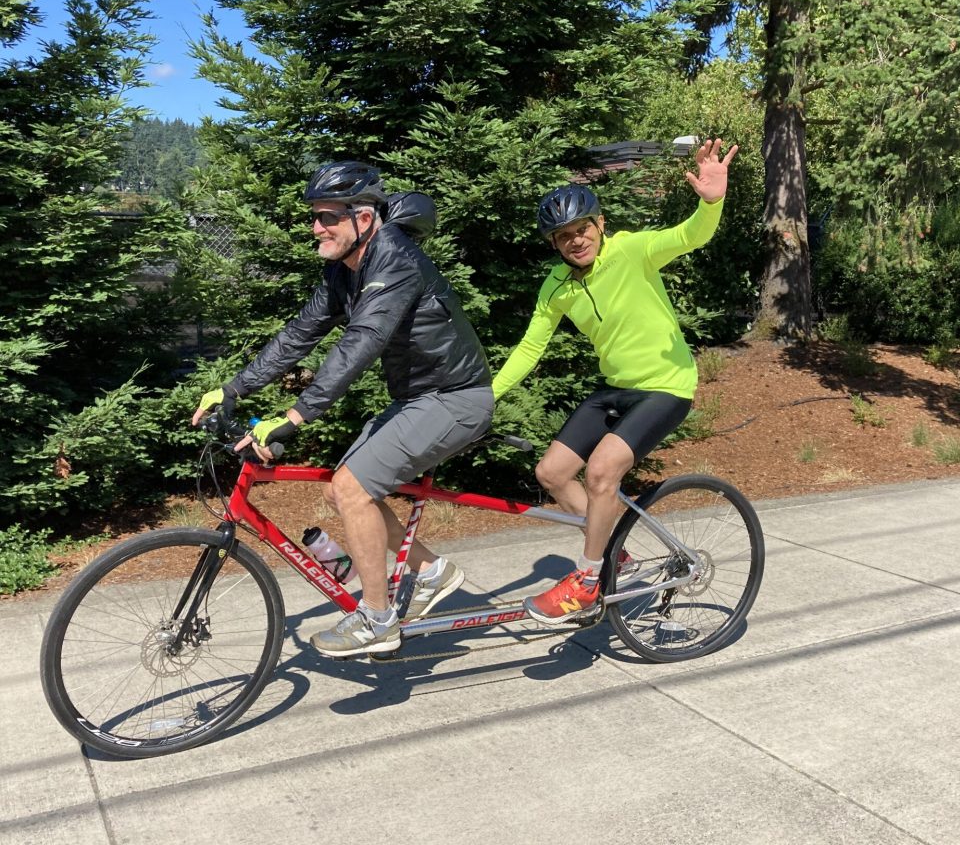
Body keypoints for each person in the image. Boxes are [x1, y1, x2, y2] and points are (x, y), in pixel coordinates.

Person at [191, 161, 494, 657]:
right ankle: (432, 571)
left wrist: (293, 417)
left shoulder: (395, 260)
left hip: (456, 397)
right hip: (418, 398)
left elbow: (360, 344)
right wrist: (233, 389)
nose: (316, 226)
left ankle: (377, 620)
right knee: (343, 492)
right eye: (314, 215)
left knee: (352, 489)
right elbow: (298, 335)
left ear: (365, 218)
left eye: (328, 216)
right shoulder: (343, 270)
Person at [492, 138, 738, 625]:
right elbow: (529, 347)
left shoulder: (633, 251)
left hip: (666, 385)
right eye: (563, 237)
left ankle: (586, 580)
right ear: (554, 244)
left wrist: (712, 202)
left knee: (602, 472)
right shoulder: (556, 286)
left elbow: (691, 235)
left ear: (600, 224)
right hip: (616, 387)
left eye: (582, 229)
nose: (576, 241)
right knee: (552, 473)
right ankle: (612, 555)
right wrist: (487, 396)